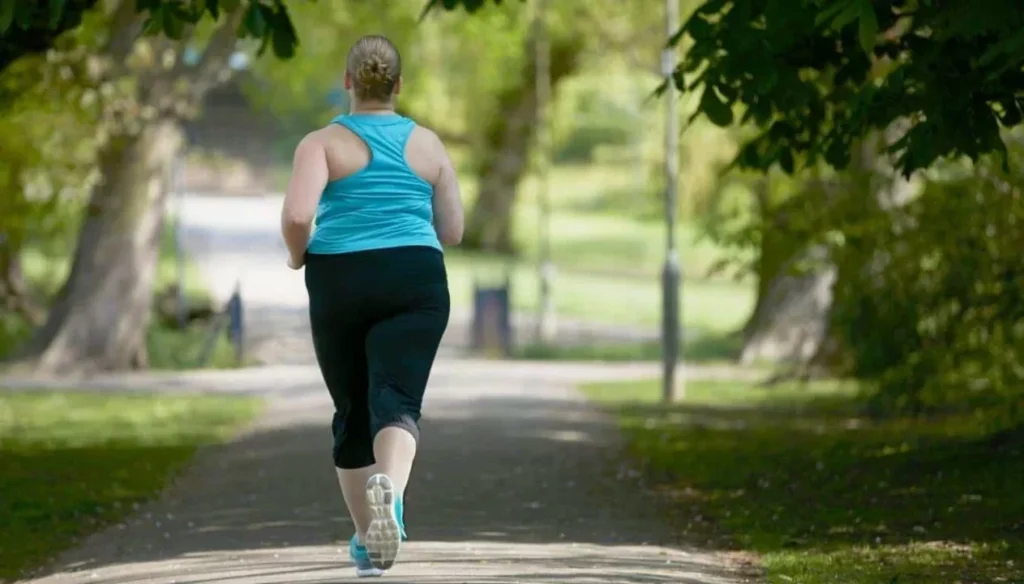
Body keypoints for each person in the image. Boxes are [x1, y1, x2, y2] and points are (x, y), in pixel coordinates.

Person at [279, 34, 464, 578]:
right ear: (398, 86)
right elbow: (452, 230)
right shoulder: (428, 145)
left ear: (348, 83)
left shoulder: (322, 143)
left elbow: (296, 217)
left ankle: (367, 540)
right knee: (398, 397)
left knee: (352, 408)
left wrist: (297, 259)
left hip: (341, 278)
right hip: (416, 278)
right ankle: (394, 493)